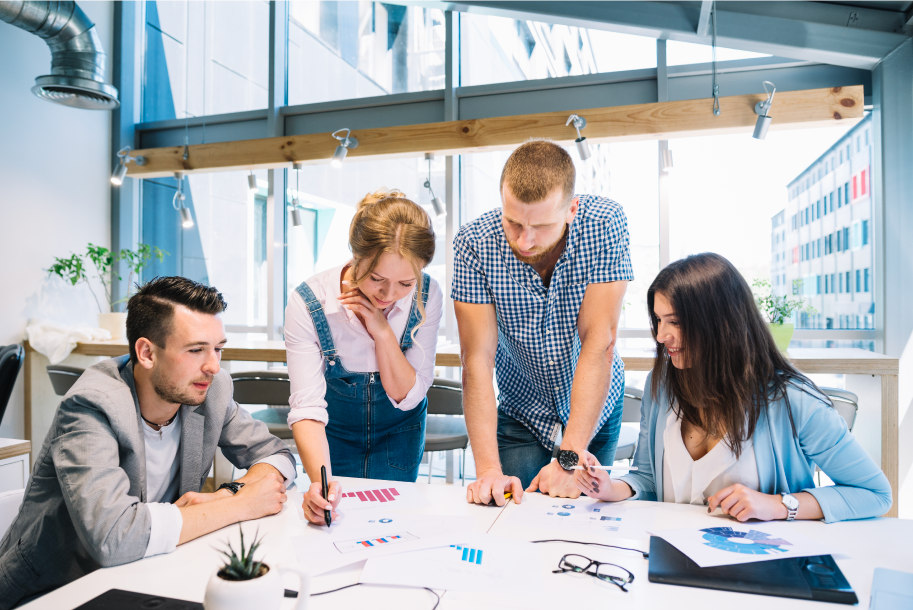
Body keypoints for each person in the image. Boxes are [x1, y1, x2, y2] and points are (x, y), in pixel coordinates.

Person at [0, 277, 296, 609]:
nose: (214, 365)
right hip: (55, 591)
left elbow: (278, 456)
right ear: (147, 353)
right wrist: (241, 505)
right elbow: (114, 537)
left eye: (218, 348)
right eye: (196, 350)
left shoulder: (210, 389)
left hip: (147, 575)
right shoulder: (91, 405)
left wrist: (229, 493)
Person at [575, 253, 892, 522]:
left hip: (759, 573)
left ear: (721, 324)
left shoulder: (793, 400)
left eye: (676, 322)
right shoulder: (662, 384)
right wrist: (610, 487)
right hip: (667, 564)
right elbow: (645, 477)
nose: (660, 336)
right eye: (658, 321)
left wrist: (781, 506)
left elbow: (875, 494)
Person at [453, 139, 633, 506]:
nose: (524, 241)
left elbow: (599, 341)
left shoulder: (605, 225)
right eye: (513, 222)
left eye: (542, 226)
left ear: (572, 209)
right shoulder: (473, 244)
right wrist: (488, 471)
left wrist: (569, 460)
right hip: (522, 411)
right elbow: (477, 360)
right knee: (508, 514)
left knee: (585, 520)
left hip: (593, 409)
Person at [286, 189, 442, 525]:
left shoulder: (429, 294)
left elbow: (408, 395)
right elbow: (307, 408)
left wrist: (382, 331)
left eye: (405, 283)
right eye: (376, 279)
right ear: (356, 257)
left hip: (399, 434)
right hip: (333, 438)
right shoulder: (309, 302)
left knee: (392, 526)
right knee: (334, 525)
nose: (389, 295)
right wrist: (319, 484)